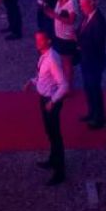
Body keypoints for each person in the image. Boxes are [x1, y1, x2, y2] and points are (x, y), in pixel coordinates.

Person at [27, 29, 72, 186]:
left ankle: (59, 172)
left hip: (50, 101)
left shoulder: (52, 58)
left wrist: (52, 101)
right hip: (45, 99)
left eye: (40, 40)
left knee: (55, 135)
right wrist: (32, 82)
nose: (37, 43)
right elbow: (42, 76)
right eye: (36, 40)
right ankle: (53, 160)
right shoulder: (44, 56)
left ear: (48, 41)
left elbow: (64, 85)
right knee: (50, 133)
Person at [75, 0, 106, 130]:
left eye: (83, 5)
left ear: (91, 4)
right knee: (88, 88)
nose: (81, 7)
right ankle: (92, 112)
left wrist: (79, 43)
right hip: (86, 59)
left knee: (94, 89)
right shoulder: (87, 17)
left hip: (94, 61)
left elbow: (97, 43)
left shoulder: (98, 21)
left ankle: (99, 117)